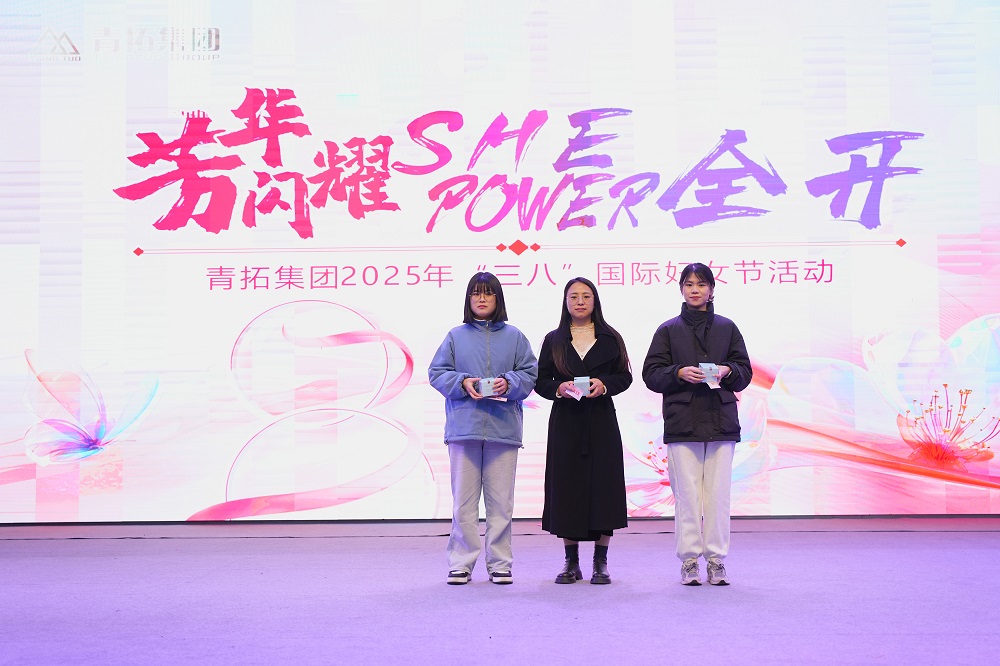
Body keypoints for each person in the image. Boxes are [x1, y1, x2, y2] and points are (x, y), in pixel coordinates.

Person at [641, 262, 752, 586]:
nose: (695, 290)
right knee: (687, 497)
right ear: (681, 289)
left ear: (711, 290)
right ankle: (689, 560)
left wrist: (728, 371)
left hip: (721, 421)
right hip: (683, 423)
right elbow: (651, 374)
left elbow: (744, 372)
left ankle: (716, 561)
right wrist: (678, 372)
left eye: (701, 284)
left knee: (718, 497)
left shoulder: (727, 328)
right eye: (689, 284)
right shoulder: (667, 330)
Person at [428, 272, 538, 586]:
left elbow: (530, 373)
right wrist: (463, 382)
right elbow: (437, 373)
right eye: (476, 293)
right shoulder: (455, 336)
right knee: (463, 503)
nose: (481, 298)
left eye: (488, 293)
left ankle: (500, 564)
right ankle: (461, 564)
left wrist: (509, 382)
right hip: (464, 429)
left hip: (503, 429)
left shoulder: (515, 336)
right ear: (469, 299)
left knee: (501, 503)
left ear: (497, 298)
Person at [535, 277, 632, 585]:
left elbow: (624, 377)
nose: (580, 301)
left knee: (604, 488)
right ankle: (571, 561)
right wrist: (558, 388)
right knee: (567, 489)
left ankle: (600, 562)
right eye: (573, 296)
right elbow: (540, 381)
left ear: (595, 300)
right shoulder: (554, 339)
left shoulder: (610, 337)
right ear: (565, 302)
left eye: (586, 296)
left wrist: (605, 384)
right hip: (566, 422)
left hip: (601, 420)